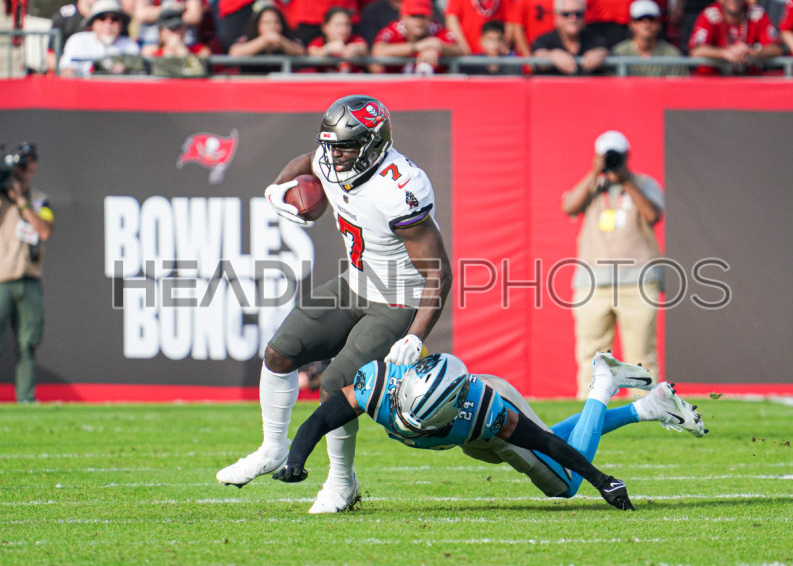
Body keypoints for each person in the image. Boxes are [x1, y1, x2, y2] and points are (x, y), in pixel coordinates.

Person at [216, 95, 453, 515]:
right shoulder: (331, 158)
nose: (334, 156)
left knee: (335, 384)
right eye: (331, 145)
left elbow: (439, 272)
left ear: (374, 144)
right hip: (354, 283)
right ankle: (272, 448)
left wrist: (416, 336)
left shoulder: (400, 188)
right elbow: (308, 162)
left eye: (345, 146)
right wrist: (277, 189)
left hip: (397, 298)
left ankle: (343, 482)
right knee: (279, 353)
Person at [274, 351, 707, 511]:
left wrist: (601, 480)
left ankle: (604, 384)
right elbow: (321, 419)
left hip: (486, 421)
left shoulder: (484, 413)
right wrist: (296, 460)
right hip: (466, 436)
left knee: (564, 484)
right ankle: (648, 406)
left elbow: (542, 440)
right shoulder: (378, 386)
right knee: (551, 449)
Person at [561, 131, 664, 400]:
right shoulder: (593, 185)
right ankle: (590, 410)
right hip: (593, 282)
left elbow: (653, 214)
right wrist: (594, 173)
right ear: (597, 157)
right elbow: (569, 206)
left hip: (638, 281)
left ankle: (644, 408)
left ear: (628, 156)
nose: (611, 160)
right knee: (591, 354)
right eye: (606, 155)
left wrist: (626, 181)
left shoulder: (644, 184)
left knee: (641, 354)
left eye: (616, 155)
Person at [0, 143, 54, 404]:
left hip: (29, 279)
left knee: (28, 343)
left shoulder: (39, 200)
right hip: (0, 279)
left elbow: (45, 230)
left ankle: (26, 398)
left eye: (32, 161)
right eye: (22, 162)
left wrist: (22, 202)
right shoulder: (0, 199)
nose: (27, 167)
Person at [688, 0, 782, 75]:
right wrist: (725, 53)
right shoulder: (710, 14)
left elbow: (776, 49)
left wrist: (751, 52)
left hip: (749, 81)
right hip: (713, 82)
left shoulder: (756, 13)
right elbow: (696, 50)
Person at [371, 0, 465, 74]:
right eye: (414, 16)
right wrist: (417, 47)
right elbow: (378, 50)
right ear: (403, 17)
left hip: (432, 87)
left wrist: (439, 47)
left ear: (430, 17)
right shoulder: (395, 29)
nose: (418, 22)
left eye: (422, 16)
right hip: (398, 87)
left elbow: (461, 49)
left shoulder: (436, 30)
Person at [58, 0, 140, 77]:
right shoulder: (78, 41)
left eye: (114, 19)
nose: (108, 24)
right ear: (93, 23)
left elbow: (136, 77)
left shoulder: (130, 46)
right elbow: (66, 72)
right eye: (102, 18)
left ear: (121, 24)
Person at [612, 0, 689, 76]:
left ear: (659, 25)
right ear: (632, 25)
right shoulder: (619, 53)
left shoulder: (672, 54)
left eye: (651, 19)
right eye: (640, 19)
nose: (646, 24)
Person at [532, 0, 609, 75]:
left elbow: (603, 48)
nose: (573, 19)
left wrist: (601, 54)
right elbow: (539, 56)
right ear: (557, 17)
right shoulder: (544, 40)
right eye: (566, 14)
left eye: (578, 14)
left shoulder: (594, 39)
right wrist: (551, 55)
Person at [228, 1, 305, 74]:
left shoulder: (288, 37)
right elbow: (234, 53)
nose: (272, 26)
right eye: (266, 23)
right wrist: (264, 41)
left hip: (281, 82)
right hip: (252, 81)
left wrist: (281, 42)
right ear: (258, 25)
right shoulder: (248, 38)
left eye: (276, 22)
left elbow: (301, 52)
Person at [306, 6, 369, 72]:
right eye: (338, 24)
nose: (343, 29)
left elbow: (364, 48)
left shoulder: (354, 40)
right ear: (324, 27)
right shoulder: (319, 42)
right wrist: (327, 49)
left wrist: (356, 49)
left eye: (347, 24)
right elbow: (312, 52)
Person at [134, 0, 204, 57]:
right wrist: (172, 9)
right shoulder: (149, 52)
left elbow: (194, 15)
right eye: (171, 29)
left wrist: (182, 51)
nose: (174, 32)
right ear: (161, 32)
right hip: (153, 42)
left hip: (187, 44)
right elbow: (141, 14)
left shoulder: (200, 51)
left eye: (176, 28)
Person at [444, 0, 513, 55]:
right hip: (467, 57)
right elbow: (451, 21)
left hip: (496, 56)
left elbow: (510, 24)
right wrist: (464, 48)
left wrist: (502, 46)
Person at [46, 0, 97, 72]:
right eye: (102, 19)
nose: (108, 23)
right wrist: (64, 71)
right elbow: (51, 56)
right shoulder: (65, 15)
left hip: (101, 73)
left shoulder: (110, 15)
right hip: (69, 72)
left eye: (112, 20)